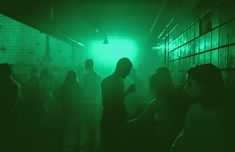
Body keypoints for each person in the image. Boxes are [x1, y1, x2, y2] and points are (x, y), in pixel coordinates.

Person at [171, 64, 235, 152]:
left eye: (189, 83)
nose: (185, 88)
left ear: (204, 85)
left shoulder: (198, 112)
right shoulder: (225, 114)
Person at [124, 68, 187, 152]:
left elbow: (139, 120)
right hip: (173, 139)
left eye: (151, 85)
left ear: (157, 87)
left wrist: (123, 126)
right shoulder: (178, 96)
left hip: (160, 142)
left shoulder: (157, 103)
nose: (149, 87)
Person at [101, 57, 135, 152]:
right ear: (121, 68)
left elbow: (119, 103)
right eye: (127, 70)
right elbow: (110, 103)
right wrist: (127, 92)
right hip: (111, 120)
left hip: (114, 119)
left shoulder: (115, 81)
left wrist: (127, 114)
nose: (128, 73)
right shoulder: (108, 82)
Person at [59, 70, 83, 152]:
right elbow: (81, 98)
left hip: (66, 109)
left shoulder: (64, 85)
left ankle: (61, 144)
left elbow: (60, 98)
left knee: (63, 127)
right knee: (77, 128)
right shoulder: (78, 86)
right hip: (76, 109)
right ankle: (77, 145)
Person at [0, 63, 21, 152]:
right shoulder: (15, 85)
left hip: (7, 116)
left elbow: (11, 102)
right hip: (11, 116)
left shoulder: (12, 86)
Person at [82, 59, 101, 151]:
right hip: (94, 101)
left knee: (88, 121)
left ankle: (90, 139)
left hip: (86, 101)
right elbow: (98, 91)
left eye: (86, 64)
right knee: (92, 120)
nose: (85, 66)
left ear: (88, 65)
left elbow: (84, 89)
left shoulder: (86, 77)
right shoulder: (98, 76)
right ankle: (92, 139)